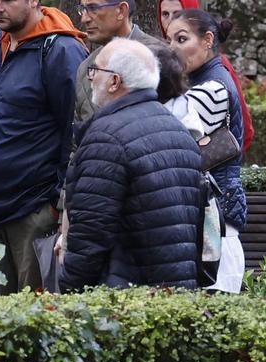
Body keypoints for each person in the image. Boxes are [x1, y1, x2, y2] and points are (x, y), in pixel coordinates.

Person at [0, 0, 88, 292]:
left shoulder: (60, 50)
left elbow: (76, 132)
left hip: (32, 211)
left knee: (33, 317)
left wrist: (56, 202)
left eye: (8, 0)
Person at [58, 39, 204, 290]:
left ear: (115, 81)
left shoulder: (106, 137)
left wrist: (69, 288)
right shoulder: (178, 131)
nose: (90, 77)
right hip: (177, 293)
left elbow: (91, 233)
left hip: (123, 298)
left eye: (96, 70)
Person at [159, 4, 250, 238]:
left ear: (208, 40)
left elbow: (163, 134)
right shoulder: (202, 81)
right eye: (169, 40)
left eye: (181, 39)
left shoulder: (213, 89)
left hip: (214, 215)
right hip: (209, 211)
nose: (172, 49)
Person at [73, 0, 177, 132]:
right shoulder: (85, 68)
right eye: (83, 9)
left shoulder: (158, 60)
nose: (84, 18)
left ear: (121, 10)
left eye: (93, 8)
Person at [158, 0, 253, 150]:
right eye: (165, 14)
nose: (170, 20)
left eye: (177, 13)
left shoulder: (214, 81)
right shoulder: (191, 69)